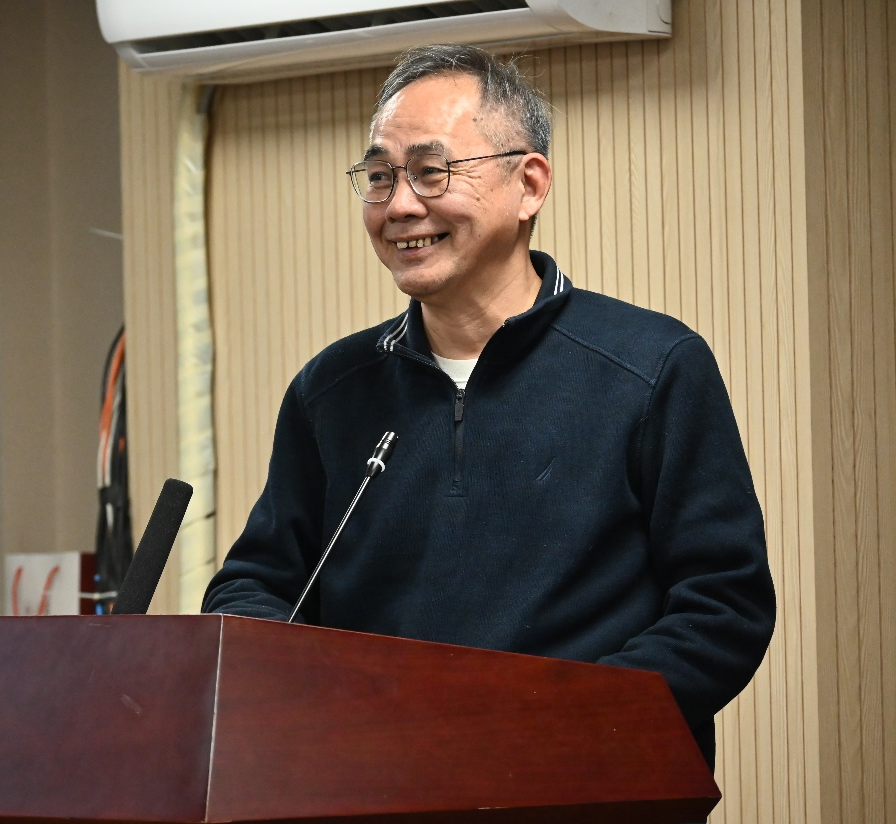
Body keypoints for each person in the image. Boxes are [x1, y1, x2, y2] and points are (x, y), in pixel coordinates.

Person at [201, 44, 775, 770]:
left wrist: (551, 725)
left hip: (586, 788)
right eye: (379, 177)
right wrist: (323, 703)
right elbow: (255, 586)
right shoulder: (331, 390)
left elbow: (722, 608)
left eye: (431, 171)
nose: (399, 205)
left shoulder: (653, 367)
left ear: (528, 184)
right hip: (374, 787)